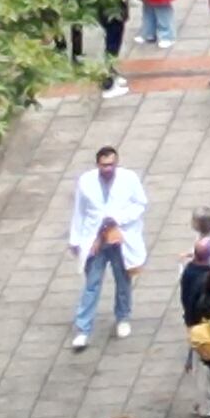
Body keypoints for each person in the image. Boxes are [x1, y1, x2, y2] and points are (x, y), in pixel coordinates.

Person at [69, 144, 148, 350]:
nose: (108, 169)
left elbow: (140, 204)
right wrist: (75, 240)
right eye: (104, 165)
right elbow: (80, 211)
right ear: (97, 165)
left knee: (123, 280)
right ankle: (83, 329)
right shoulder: (86, 182)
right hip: (96, 240)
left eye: (111, 164)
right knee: (91, 284)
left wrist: (117, 219)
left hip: (119, 238)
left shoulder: (129, 179)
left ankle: (123, 317)